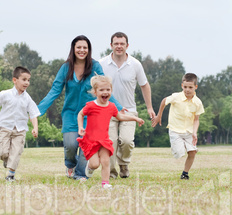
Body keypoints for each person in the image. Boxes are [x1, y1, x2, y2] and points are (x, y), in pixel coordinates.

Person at [38, 35, 122, 181]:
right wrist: (39, 109)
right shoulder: (66, 68)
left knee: (86, 147)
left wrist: (118, 106)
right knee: (70, 144)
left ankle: (81, 174)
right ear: (73, 49)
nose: (82, 50)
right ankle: (70, 165)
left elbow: (104, 86)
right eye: (79, 47)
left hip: (90, 114)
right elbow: (55, 90)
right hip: (70, 113)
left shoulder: (95, 66)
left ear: (89, 50)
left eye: (85, 47)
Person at [99, 32, 155, 179]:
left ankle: (123, 165)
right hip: (107, 111)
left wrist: (149, 107)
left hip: (129, 111)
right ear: (111, 45)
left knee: (126, 141)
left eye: (122, 44)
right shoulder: (102, 64)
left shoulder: (135, 64)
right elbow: (93, 86)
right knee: (109, 142)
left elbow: (145, 85)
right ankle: (111, 173)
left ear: (127, 46)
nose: (119, 46)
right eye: (116, 44)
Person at [77, 75, 144, 189]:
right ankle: (90, 167)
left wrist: (135, 118)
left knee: (105, 161)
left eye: (108, 89)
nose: (105, 92)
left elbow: (121, 117)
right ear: (95, 92)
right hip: (91, 139)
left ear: (111, 91)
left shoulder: (112, 107)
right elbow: (80, 114)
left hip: (104, 140)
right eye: (101, 90)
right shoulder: (91, 106)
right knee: (95, 164)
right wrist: (80, 127)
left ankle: (105, 183)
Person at [0, 66, 39, 182]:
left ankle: (11, 175)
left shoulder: (27, 98)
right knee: (2, 152)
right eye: (24, 79)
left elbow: (33, 114)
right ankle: (6, 161)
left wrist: (35, 128)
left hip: (20, 130)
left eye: (28, 80)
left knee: (16, 152)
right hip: (5, 127)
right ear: (14, 80)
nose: (27, 82)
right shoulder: (4, 94)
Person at [152, 73, 204, 179]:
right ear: (182, 86)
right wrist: (159, 116)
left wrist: (194, 132)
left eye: (190, 87)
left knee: (192, 152)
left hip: (189, 131)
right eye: (185, 87)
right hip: (175, 130)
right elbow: (164, 101)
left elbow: (196, 119)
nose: (187, 90)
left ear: (195, 87)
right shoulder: (176, 97)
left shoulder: (198, 102)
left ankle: (185, 174)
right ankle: (179, 147)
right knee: (179, 153)